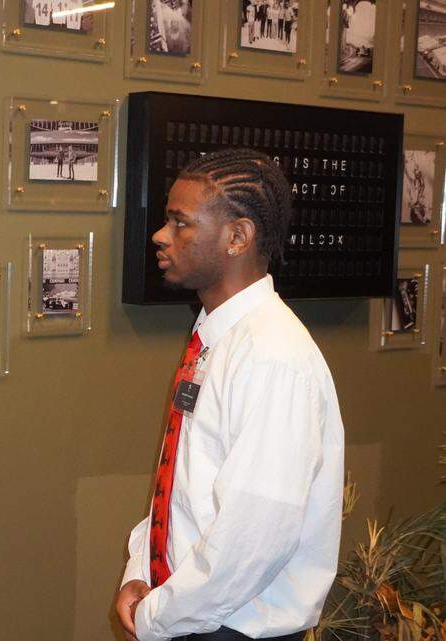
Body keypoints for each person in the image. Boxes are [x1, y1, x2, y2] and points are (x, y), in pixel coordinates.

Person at [113, 149, 345, 641]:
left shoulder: (273, 357)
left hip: (228, 626)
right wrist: (141, 569)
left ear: (238, 237)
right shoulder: (216, 335)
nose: (160, 234)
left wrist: (158, 619)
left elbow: (254, 538)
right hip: (188, 611)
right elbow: (181, 486)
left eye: (181, 223)